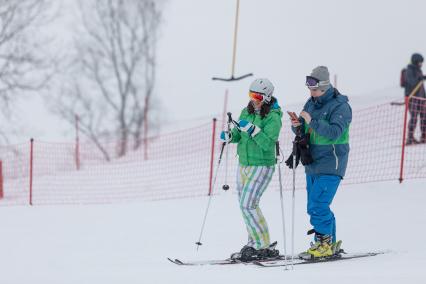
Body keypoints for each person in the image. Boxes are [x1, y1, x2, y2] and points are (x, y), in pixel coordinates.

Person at [290, 66, 352, 259]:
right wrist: (298, 126)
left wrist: (311, 122)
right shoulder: (311, 102)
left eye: (315, 89)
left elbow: (335, 132)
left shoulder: (340, 106)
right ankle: (329, 244)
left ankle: (323, 244)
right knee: (316, 205)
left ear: (325, 87)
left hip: (331, 162)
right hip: (312, 162)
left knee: (317, 205)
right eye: (310, 89)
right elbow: (305, 130)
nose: (312, 93)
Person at [220, 78, 283, 262]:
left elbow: (267, 143)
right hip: (244, 164)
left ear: (267, 97)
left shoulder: (273, 116)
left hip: (262, 164)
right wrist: (231, 136)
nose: (253, 99)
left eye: (257, 96)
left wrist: (254, 130)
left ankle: (262, 245)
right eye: (251, 95)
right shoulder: (245, 111)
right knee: (246, 206)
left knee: (248, 204)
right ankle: (253, 242)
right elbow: (240, 134)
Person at [404, 53, 426, 144]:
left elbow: (421, 86)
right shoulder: (409, 70)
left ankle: (424, 136)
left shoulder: (418, 70)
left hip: (421, 98)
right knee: (414, 117)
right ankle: (410, 137)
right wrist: (420, 78)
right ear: (415, 61)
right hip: (413, 98)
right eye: (420, 62)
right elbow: (412, 82)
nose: (421, 64)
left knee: (424, 117)